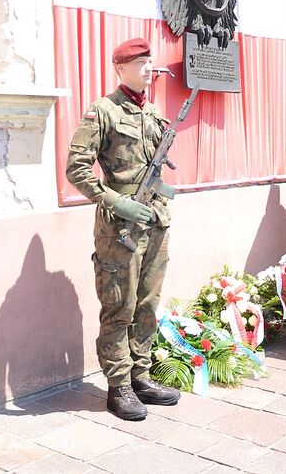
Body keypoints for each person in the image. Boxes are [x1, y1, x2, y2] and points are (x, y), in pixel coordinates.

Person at [66, 38, 180, 421]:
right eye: (141, 62)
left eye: (150, 61)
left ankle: (141, 376)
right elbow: (76, 170)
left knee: (148, 304)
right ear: (120, 68)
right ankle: (119, 387)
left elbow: (154, 169)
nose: (149, 68)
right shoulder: (103, 111)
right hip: (120, 227)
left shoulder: (154, 114)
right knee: (120, 305)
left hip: (155, 221)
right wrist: (116, 200)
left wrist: (161, 190)